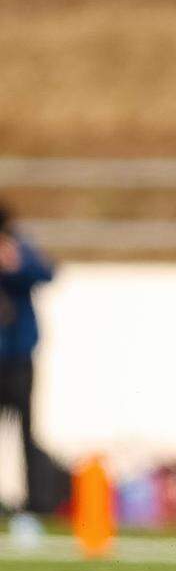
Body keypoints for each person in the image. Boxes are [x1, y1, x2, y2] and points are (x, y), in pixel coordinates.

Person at [0, 205, 54, 520]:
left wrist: (14, 263)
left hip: (18, 358)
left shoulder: (17, 246)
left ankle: (36, 502)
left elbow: (46, 272)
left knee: (26, 432)